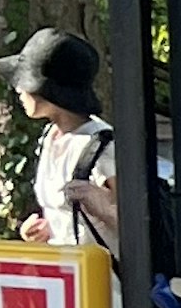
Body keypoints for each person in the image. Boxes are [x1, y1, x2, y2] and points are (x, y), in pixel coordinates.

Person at [15, 27, 120, 253]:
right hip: (63, 280)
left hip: (104, 283)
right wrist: (46, 229)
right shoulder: (49, 137)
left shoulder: (102, 146)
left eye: (24, 82)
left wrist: (105, 210)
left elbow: (140, 227)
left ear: (48, 89)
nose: (17, 89)